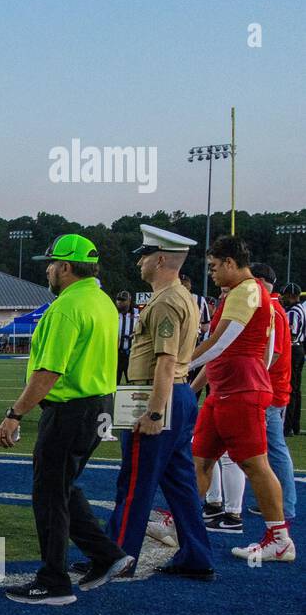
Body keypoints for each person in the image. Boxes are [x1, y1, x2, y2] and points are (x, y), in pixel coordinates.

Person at [0, 234, 133, 605]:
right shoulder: (102, 301)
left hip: (72, 409)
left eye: (52, 263)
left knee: (49, 494)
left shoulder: (66, 308)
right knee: (63, 486)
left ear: (66, 268)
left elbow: (48, 372)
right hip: (99, 404)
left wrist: (14, 415)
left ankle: (53, 581)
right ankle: (107, 555)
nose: (48, 269)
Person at [93, 226, 214, 579]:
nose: (140, 263)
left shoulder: (164, 302)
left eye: (144, 256)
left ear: (160, 259)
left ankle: (118, 557)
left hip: (157, 394)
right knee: (180, 485)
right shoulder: (184, 298)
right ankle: (197, 555)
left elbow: (163, 360)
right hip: (179, 393)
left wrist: (155, 411)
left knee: (135, 483)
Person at [187, 236, 294, 563]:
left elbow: (221, 343)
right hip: (227, 388)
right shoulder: (245, 294)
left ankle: (279, 538)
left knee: (254, 463)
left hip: (239, 390)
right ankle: (182, 523)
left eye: (215, 267)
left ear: (231, 263)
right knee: (200, 457)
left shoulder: (247, 291)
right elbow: (253, 348)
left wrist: (179, 366)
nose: (213, 274)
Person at [213, 263, 296, 526]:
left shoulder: (269, 308)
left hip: (265, 389)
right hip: (267, 386)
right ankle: (274, 508)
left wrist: (253, 375)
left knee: (267, 451)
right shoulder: (271, 307)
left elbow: (275, 352)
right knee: (259, 452)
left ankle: (282, 509)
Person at [282, 282, 303, 436]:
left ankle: (287, 426)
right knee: (296, 389)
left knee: (291, 387)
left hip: (293, 348)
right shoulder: (301, 309)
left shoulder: (293, 312)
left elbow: (292, 333)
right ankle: (294, 425)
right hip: (299, 348)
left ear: (291, 296)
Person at [114, 291, 137, 385]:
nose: (120, 302)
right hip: (117, 353)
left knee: (132, 381)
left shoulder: (137, 314)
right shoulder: (114, 313)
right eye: (118, 300)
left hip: (132, 353)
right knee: (114, 380)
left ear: (129, 301)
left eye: (123, 300)